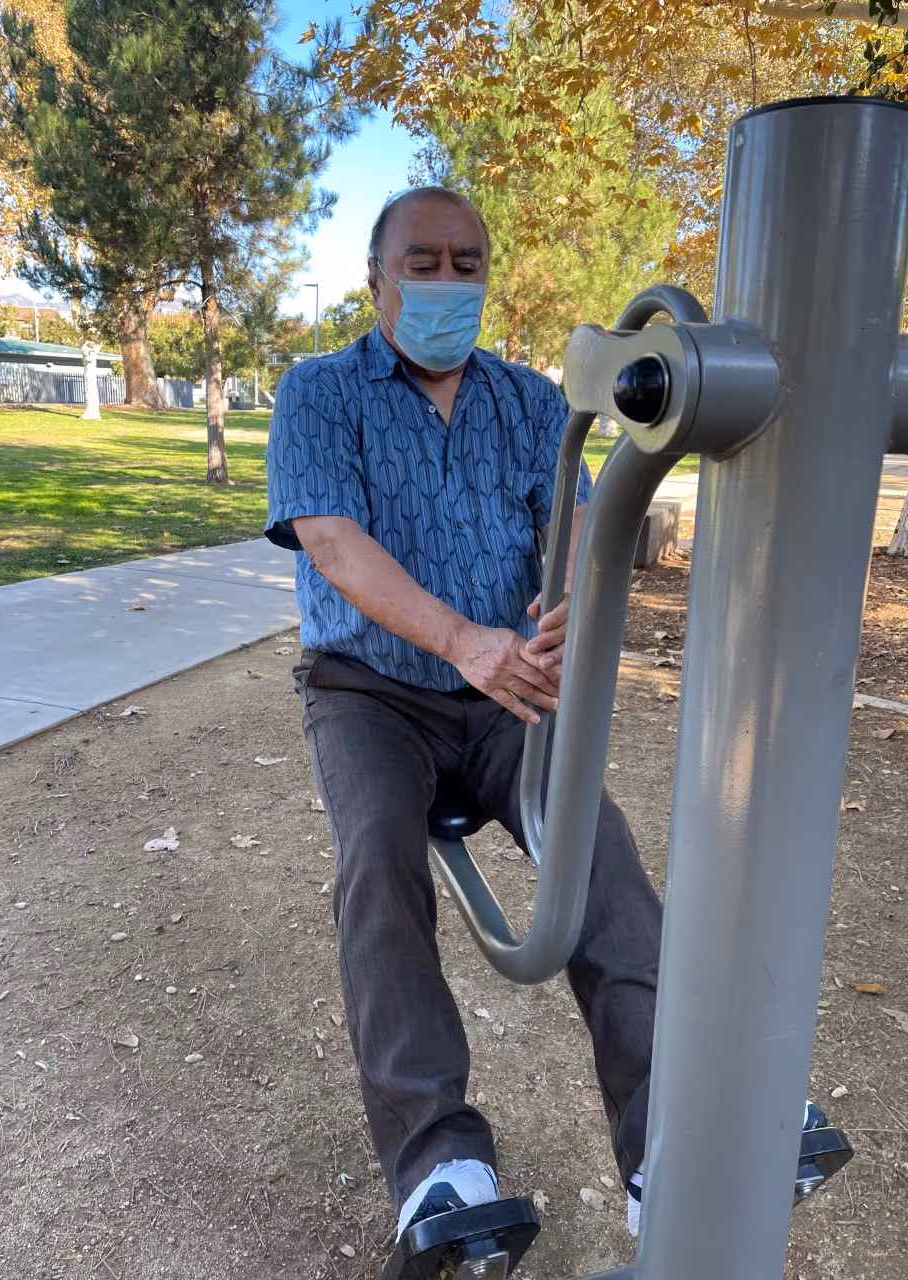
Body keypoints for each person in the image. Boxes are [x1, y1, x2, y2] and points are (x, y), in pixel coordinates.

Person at [265, 186, 825, 1244]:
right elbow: (332, 543)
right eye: (420, 262)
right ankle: (441, 1166)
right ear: (374, 278)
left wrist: (564, 609)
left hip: (502, 684)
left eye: (465, 261)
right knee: (377, 855)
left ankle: (674, 1140)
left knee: (594, 848)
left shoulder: (527, 402)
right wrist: (464, 640)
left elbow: (573, 520)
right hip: (368, 689)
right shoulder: (318, 392)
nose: (445, 281)